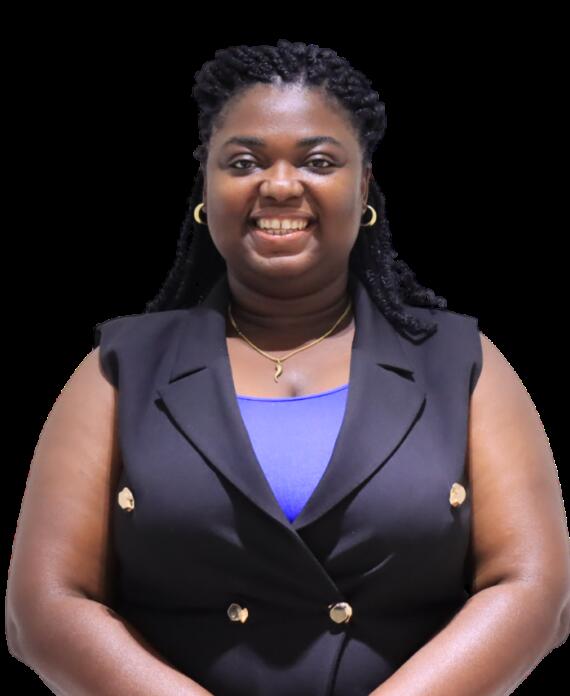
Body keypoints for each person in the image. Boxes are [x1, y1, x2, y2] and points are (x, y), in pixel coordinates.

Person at [6, 40, 569, 696]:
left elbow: (533, 591)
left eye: (318, 161)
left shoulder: (461, 363)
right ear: (206, 186)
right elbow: (44, 607)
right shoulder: (119, 369)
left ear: (364, 186)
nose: (278, 185)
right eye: (243, 162)